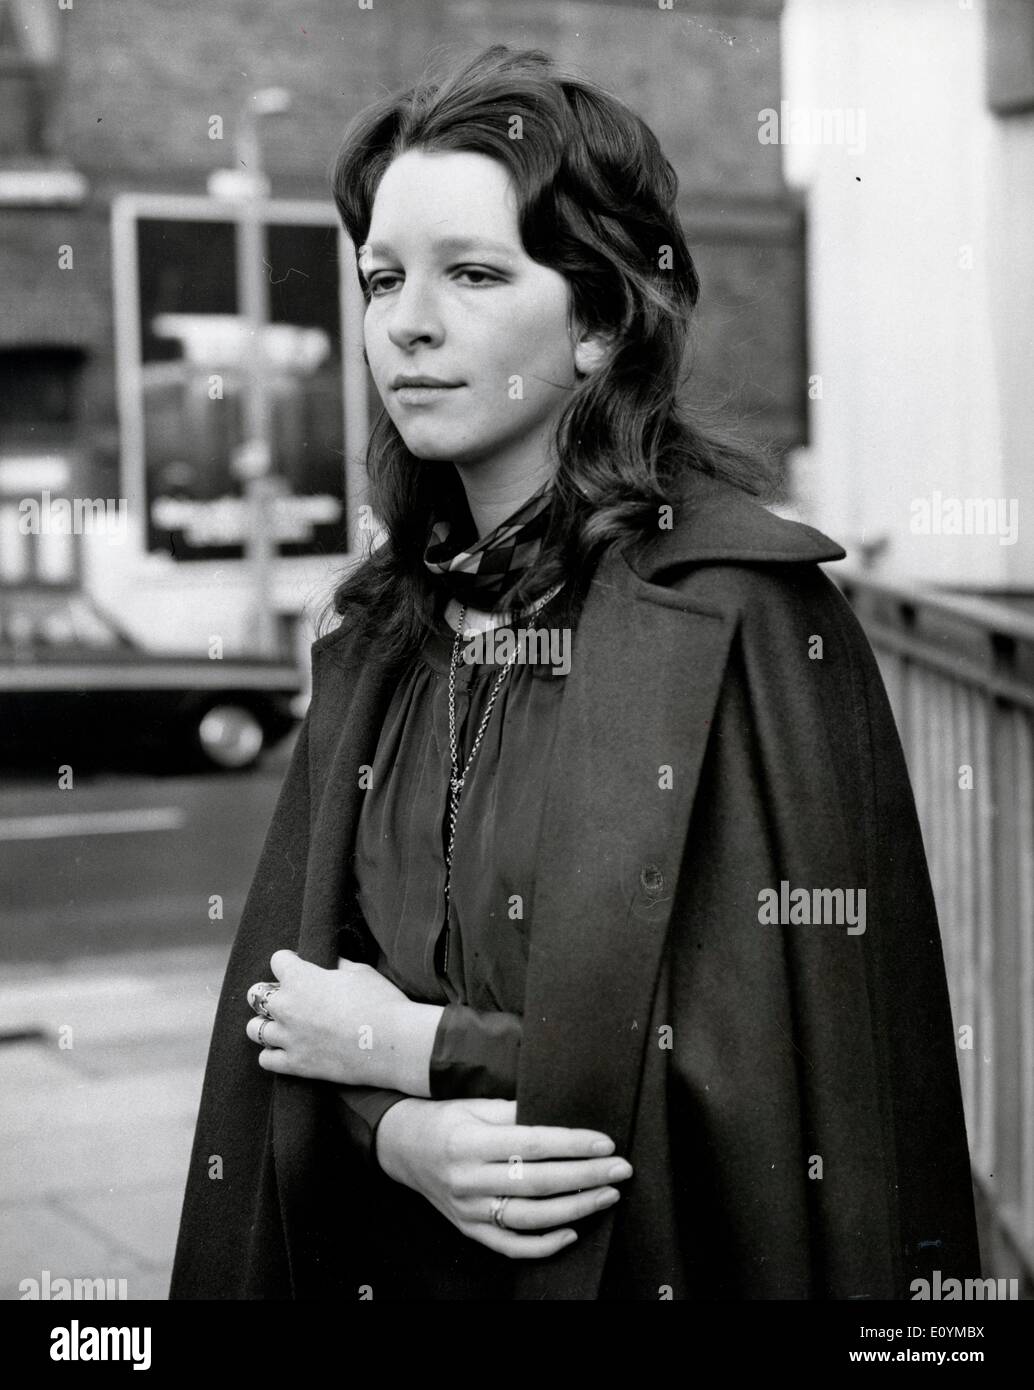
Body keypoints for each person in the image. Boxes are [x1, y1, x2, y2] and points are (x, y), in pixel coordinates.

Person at [170, 44, 980, 1301]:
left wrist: (423, 1050)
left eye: (474, 273)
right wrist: (397, 1135)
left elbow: (769, 1089)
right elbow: (292, 1024)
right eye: (383, 278)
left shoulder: (737, 622)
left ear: (600, 321)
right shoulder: (379, 633)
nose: (407, 322)